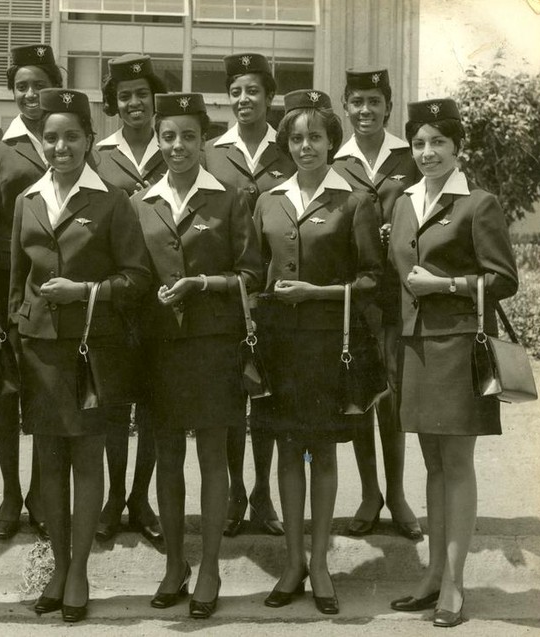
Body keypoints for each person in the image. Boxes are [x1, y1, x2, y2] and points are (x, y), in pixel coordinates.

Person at [9, 88, 151, 622]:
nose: (61, 146)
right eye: (51, 137)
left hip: (94, 351)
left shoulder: (113, 200)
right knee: (49, 463)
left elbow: (136, 278)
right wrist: (17, 337)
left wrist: (86, 291)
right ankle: (60, 565)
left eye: (72, 136)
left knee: (87, 459)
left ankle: (79, 573)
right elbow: (14, 283)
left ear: (91, 140)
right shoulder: (27, 200)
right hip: (41, 349)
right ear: (39, 142)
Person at [387, 98, 517, 628]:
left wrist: (445, 284)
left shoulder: (477, 203)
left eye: (439, 142)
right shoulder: (403, 202)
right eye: (418, 143)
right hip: (415, 348)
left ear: (458, 147)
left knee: (456, 466)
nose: (427, 152)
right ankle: (434, 574)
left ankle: (455, 586)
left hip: (460, 346)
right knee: (433, 465)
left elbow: (504, 279)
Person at [252, 89, 382, 615]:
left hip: (331, 347)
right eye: (297, 137)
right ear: (286, 143)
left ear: (332, 142)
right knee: (286, 449)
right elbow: (255, 272)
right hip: (281, 347)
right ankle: (292, 563)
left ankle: (322, 564)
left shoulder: (355, 201)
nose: (306, 145)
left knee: (323, 452)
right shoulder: (268, 200)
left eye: (316, 136)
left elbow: (373, 280)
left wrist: (318, 294)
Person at [132, 92, 260, 619]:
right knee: (167, 457)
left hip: (214, 348)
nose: (178, 146)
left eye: (188, 136)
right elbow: (133, 274)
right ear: (157, 141)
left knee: (212, 457)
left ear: (204, 140)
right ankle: (175, 564)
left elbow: (252, 276)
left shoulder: (229, 199)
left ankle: (209, 567)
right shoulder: (142, 202)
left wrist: (202, 284)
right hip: (159, 350)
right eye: (168, 136)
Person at [0, 44, 64, 541]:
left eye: (38, 84)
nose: (30, 94)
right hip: (8, 287)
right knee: (7, 395)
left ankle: (41, 491)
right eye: (20, 86)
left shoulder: (66, 137)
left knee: (47, 392)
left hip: (55, 283)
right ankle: (10, 491)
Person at [204, 52, 295, 539]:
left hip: (278, 296)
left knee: (269, 400)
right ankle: (237, 492)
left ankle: (264, 494)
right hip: (230, 294)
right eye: (236, 91)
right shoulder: (213, 153)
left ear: (269, 95)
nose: (244, 99)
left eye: (253, 90)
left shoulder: (289, 148)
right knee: (233, 397)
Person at [334, 68, 422, 540]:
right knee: (360, 394)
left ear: (388, 106)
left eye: (373, 101)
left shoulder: (408, 157)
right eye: (356, 102)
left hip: (398, 296)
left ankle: (398, 494)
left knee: (394, 398)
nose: (365, 110)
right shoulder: (334, 160)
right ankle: (370, 493)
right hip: (352, 296)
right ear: (345, 107)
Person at [93, 53, 167, 544]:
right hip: (119, 292)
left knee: (156, 404)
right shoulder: (99, 153)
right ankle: (113, 495)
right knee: (115, 404)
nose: (134, 102)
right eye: (125, 96)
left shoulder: (176, 145)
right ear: (113, 103)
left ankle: (141, 498)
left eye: (142, 93)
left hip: (163, 294)